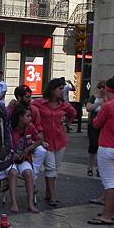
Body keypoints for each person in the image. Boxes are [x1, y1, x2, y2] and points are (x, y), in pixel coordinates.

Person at [87, 78, 114, 225]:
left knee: (109, 183)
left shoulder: (108, 106)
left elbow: (96, 123)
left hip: (108, 146)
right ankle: (112, 212)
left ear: (107, 89)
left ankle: (106, 215)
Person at [33, 78, 77, 207]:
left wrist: (66, 124)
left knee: (54, 168)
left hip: (60, 139)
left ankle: (48, 192)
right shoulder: (39, 103)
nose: (61, 91)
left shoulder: (64, 105)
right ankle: (52, 196)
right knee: (51, 167)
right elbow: (30, 111)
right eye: (60, 88)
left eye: (63, 88)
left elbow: (73, 113)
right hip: (45, 140)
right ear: (52, 89)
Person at [6, 105, 42, 214]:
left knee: (28, 172)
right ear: (20, 117)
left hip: (23, 158)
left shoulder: (30, 127)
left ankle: (30, 203)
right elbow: (3, 145)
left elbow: (39, 140)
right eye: (28, 116)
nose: (30, 118)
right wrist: (12, 154)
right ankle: (14, 202)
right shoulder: (10, 128)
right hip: (10, 159)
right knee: (13, 172)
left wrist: (28, 149)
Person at [7, 85, 46, 182]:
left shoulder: (34, 110)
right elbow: (5, 124)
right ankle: (7, 176)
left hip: (30, 141)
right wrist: (8, 107)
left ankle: (33, 175)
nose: (30, 100)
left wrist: (39, 141)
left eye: (30, 97)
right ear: (19, 97)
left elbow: (39, 129)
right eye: (27, 97)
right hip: (13, 143)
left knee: (42, 151)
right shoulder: (12, 109)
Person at [85, 81, 106, 177]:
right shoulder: (94, 97)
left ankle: (99, 167)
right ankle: (90, 166)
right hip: (93, 125)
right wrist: (98, 104)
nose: (102, 89)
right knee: (93, 145)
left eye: (104, 87)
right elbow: (88, 108)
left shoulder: (107, 99)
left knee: (101, 147)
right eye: (100, 87)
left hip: (103, 125)